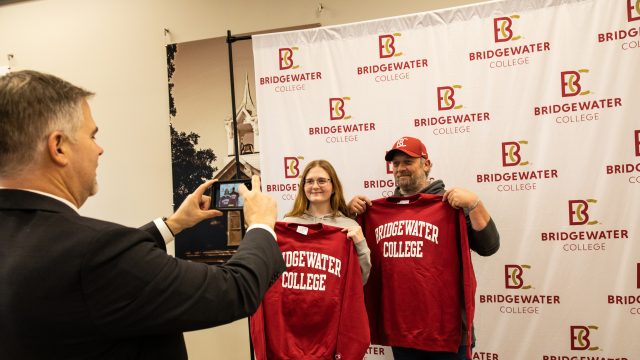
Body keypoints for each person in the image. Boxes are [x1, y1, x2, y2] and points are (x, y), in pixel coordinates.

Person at [0, 70, 285, 360]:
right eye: (92, 135)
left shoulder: (66, 251)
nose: (100, 149)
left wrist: (172, 225)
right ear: (58, 146)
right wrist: (261, 224)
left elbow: (90, 268)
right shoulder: (96, 255)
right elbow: (235, 289)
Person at [348, 136, 500, 360]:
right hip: (402, 330)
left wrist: (475, 204)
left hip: (448, 333)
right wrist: (350, 214)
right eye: (396, 164)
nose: (400, 168)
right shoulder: (379, 211)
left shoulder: (450, 204)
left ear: (426, 164)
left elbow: (489, 246)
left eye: (408, 162)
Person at [283, 159, 371, 284]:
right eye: (309, 181)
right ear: (303, 187)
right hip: (297, 302)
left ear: (334, 187)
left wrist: (361, 245)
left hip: (333, 302)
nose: (315, 186)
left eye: (321, 181)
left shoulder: (350, 226)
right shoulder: (288, 224)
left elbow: (361, 279)